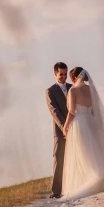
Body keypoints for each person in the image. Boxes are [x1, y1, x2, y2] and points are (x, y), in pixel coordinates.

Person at [60, 66, 104, 200]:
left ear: (74, 78)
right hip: (91, 122)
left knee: (82, 153)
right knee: (94, 151)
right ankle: (100, 176)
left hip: (80, 124)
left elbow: (72, 112)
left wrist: (65, 126)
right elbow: (94, 110)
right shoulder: (91, 90)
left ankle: (91, 178)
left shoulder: (73, 90)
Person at [45, 62, 71, 198]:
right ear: (55, 74)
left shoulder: (72, 88)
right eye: (61, 74)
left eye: (66, 74)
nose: (64, 77)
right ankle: (56, 192)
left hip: (75, 129)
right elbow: (54, 111)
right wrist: (64, 128)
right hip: (60, 131)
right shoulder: (50, 91)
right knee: (58, 158)